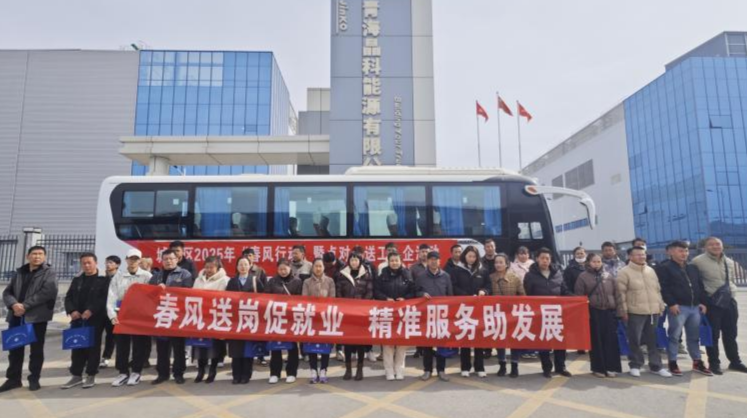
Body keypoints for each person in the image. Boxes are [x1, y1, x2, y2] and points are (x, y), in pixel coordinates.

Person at [0, 246, 58, 393]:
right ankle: (13, 379)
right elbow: (7, 292)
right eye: (34, 254)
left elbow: (47, 292)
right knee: (14, 348)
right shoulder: (20, 272)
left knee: (36, 350)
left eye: (40, 254)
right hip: (16, 316)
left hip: (36, 317)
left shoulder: (49, 273)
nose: (37, 256)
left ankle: (34, 379)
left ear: (44, 257)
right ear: (28, 256)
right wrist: (14, 304)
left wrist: (24, 306)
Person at [692, 237, 747, 375]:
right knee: (713, 335)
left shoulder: (729, 262)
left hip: (730, 302)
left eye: (718, 244)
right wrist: (701, 301)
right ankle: (714, 363)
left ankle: (735, 361)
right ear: (705, 247)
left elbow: (731, 281)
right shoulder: (698, 261)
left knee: (731, 334)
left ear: (722, 246)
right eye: (711, 244)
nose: (715, 246)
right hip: (711, 304)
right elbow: (695, 283)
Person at [656, 240, 711, 376]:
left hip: (695, 307)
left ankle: (697, 362)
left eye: (686, 251)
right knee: (674, 336)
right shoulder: (665, 268)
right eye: (680, 251)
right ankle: (672, 362)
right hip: (678, 307)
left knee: (694, 336)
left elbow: (700, 286)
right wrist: (671, 303)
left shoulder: (692, 268)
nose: (684, 254)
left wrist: (702, 302)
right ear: (671, 252)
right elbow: (663, 288)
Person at [616, 246, 672, 378]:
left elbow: (657, 290)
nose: (642, 257)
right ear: (630, 257)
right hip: (635, 311)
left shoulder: (650, 270)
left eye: (643, 254)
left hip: (653, 311)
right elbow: (620, 294)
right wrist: (623, 311)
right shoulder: (624, 272)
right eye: (638, 254)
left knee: (653, 340)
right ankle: (635, 365)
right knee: (635, 340)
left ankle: (656, 366)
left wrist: (660, 306)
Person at [61, 253, 109, 389]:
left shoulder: (104, 279)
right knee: (77, 346)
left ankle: (91, 375)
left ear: (96, 263)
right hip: (77, 319)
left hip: (95, 319)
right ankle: (76, 375)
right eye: (84, 263)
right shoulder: (77, 280)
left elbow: (104, 298)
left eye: (89, 263)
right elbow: (68, 297)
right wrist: (72, 311)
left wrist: (91, 310)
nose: (87, 265)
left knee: (92, 348)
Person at [108, 249, 152, 387]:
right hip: (122, 314)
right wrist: (112, 315)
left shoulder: (147, 276)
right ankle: (122, 372)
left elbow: (152, 295)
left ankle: (136, 372)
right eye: (130, 259)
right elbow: (111, 296)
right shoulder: (118, 276)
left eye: (136, 259)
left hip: (139, 314)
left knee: (139, 344)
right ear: (126, 260)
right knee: (122, 344)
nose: (133, 261)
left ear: (140, 260)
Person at [524, 248, 571, 378]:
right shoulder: (530, 275)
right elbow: (528, 294)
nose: (545, 261)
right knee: (543, 342)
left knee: (560, 340)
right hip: (540, 314)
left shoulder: (558, 273)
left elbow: (564, 291)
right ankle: (546, 368)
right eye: (542, 258)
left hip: (557, 313)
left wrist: (578, 299)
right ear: (537, 259)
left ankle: (561, 367)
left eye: (547, 258)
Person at [149, 249, 193, 385]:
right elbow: (149, 295)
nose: (168, 261)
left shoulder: (185, 274)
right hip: (161, 317)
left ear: (177, 259)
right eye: (165, 259)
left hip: (177, 317)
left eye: (171, 259)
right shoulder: (156, 276)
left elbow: (187, 293)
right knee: (162, 347)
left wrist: (167, 289)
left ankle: (178, 374)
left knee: (178, 347)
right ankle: (162, 374)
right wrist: (156, 290)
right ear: (162, 261)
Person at [575, 253, 622, 378]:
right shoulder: (583, 277)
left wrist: (620, 311)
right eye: (594, 261)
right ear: (588, 262)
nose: (596, 264)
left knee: (611, 341)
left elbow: (617, 295)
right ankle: (598, 368)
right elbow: (579, 297)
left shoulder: (609, 276)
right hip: (593, 312)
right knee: (596, 341)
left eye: (599, 261)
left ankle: (612, 367)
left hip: (609, 312)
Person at [374, 252, 416, 380]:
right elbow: (376, 291)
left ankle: (399, 369)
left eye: (396, 260)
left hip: (402, 314)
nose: (394, 263)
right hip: (387, 313)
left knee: (401, 343)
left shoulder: (407, 275)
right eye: (392, 260)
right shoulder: (382, 276)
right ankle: (389, 370)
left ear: (401, 261)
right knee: (388, 344)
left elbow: (413, 291)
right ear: (388, 262)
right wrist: (385, 298)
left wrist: (405, 298)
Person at [449, 246, 490, 378]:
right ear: (464, 256)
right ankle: (465, 367)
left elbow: (488, 285)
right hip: (464, 308)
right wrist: (465, 296)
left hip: (479, 308)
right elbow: (453, 286)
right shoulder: (457, 270)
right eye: (469, 256)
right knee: (465, 338)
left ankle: (480, 367)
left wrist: (484, 291)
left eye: (474, 256)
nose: (471, 259)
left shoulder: (483, 270)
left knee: (479, 338)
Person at [226, 256, 267, 384]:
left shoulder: (255, 280)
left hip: (250, 319)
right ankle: (236, 375)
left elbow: (263, 299)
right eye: (240, 264)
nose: (243, 267)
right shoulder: (232, 281)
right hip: (235, 320)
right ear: (237, 267)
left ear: (250, 266)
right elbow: (227, 299)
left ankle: (246, 375)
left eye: (245, 264)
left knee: (248, 349)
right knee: (236, 349)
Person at [415, 251, 453, 382]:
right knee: (427, 345)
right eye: (431, 259)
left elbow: (450, 295)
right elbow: (415, 292)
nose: (433, 261)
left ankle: (441, 370)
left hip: (442, 315)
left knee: (442, 344)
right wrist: (422, 294)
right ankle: (427, 370)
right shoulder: (421, 276)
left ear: (439, 261)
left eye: (435, 259)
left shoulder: (446, 276)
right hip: (427, 315)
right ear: (427, 261)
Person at [335, 253, 374, 381]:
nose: (354, 262)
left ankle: (359, 369)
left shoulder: (366, 275)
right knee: (348, 343)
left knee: (360, 343)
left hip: (361, 314)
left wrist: (361, 306)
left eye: (356, 260)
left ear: (360, 261)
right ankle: (348, 369)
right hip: (347, 313)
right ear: (349, 261)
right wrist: (345, 305)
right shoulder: (342, 274)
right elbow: (338, 292)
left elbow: (369, 292)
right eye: (352, 260)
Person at [192, 256, 229, 384]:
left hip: (215, 317)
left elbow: (223, 298)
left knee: (214, 346)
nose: (208, 270)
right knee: (200, 346)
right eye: (206, 267)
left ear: (218, 268)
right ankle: (201, 370)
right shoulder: (198, 279)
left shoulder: (224, 280)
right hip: (200, 317)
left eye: (211, 267)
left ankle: (212, 370)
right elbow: (192, 296)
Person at [266, 258, 303, 384]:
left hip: (291, 318)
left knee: (292, 347)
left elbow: (301, 300)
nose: (283, 271)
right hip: (276, 317)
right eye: (280, 269)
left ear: (290, 268)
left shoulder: (297, 282)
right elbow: (266, 298)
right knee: (275, 346)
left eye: (285, 269)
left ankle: (291, 372)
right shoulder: (272, 281)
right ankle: (274, 373)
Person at [490, 253, 525, 378]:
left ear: (507, 264)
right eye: (496, 262)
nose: (498, 265)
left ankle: (514, 366)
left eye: (501, 262)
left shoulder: (515, 278)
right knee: (500, 341)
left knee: (514, 341)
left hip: (513, 315)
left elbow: (523, 295)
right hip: (497, 314)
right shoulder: (490, 278)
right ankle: (502, 365)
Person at [302, 258, 336, 384]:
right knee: (312, 346)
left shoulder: (330, 281)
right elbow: (304, 299)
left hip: (325, 318)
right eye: (316, 266)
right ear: (312, 267)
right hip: (311, 318)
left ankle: (323, 370)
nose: (318, 268)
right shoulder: (307, 282)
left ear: (324, 267)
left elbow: (332, 298)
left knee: (325, 346)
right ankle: (313, 370)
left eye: (320, 266)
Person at [100, 255, 121, 370]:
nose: (108, 265)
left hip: (114, 311)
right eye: (107, 262)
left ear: (117, 265)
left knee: (111, 336)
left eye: (111, 262)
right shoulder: (102, 278)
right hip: (101, 311)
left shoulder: (121, 278)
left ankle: (106, 357)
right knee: (98, 335)